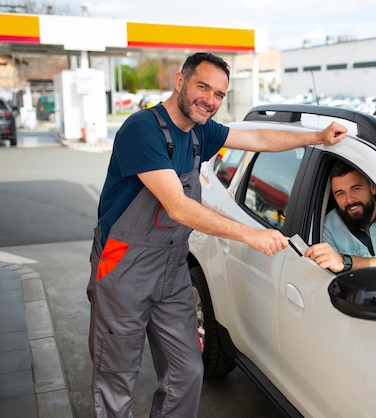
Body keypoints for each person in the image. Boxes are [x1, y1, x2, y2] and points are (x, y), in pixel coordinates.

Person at [87, 52, 347, 417]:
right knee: (116, 377)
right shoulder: (142, 129)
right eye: (203, 87)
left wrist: (316, 136)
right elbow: (177, 206)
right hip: (124, 268)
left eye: (219, 94)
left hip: (171, 267)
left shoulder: (200, 132)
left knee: (187, 370)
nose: (210, 100)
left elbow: (256, 135)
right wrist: (250, 234)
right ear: (181, 81)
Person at [304, 162, 376, 276]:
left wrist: (345, 262)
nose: (349, 199)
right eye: (340, 193)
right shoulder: (330, 226)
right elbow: (332, 278)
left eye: (356, 188)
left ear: (373, 187)